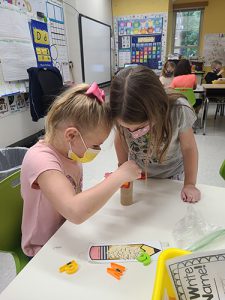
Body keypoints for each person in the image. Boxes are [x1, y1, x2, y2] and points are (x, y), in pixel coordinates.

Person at [21, 83, 141, 257]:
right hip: (43, 248)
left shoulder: (70, 153)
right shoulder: (41, 160)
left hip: (66, 233)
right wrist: (118, 176)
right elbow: (75, 211)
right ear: (71, 135)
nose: (97, 150)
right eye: (95, 145)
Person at [110, 66, 201, 204]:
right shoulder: (121, 112)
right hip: (138, 174)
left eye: (140, 127)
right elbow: (120, 140)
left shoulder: (178, 110)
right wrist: (122, 169)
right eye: (126, 127)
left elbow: (189, 149)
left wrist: (190, 184)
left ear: (158, 107)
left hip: (172, 175)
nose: (133, 133)